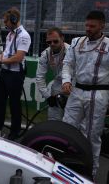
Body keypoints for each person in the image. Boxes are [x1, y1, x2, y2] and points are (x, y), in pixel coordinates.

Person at [62, 10, 109, 178]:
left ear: (102, 26)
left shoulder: (108, 45)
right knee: (66, 129)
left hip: (99, 94)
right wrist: (66, 81)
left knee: (92, 135)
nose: (88, 28)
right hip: (76, 91)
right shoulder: (76, 42)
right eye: (86, 25)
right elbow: (67, 64)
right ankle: (64, 167)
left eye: (92, 26)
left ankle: (91, 173)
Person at [0, 8, 31, 140]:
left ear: (14, 20)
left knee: (14, 104)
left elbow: (18, 58)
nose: (4, 24)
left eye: (6, 21)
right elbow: (6, 53)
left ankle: (15, 132)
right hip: (4, 72)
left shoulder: (24, 35)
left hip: (15, 74)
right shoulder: (10, 34)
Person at [36, 27, 69, 120]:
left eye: (55, 41)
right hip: (58, 86)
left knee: (71, 120)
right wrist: (48, 96)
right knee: (53, 118)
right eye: (49, 42)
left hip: (72, 86)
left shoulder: (71, 51)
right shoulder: (46, 54)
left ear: (62, 38)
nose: (52, 44)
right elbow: (40, 77)